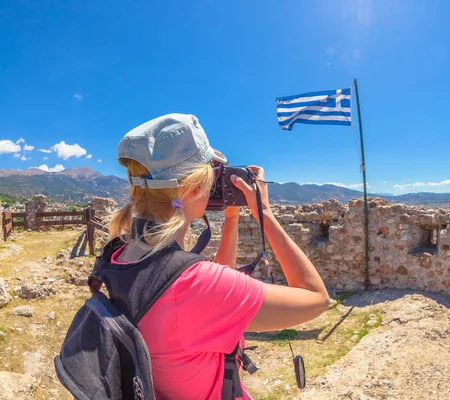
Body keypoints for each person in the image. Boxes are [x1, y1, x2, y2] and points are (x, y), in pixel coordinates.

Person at [107, 113, 330, 400]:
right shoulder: (193, 285)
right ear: (196, 186)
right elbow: (316, 298)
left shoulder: (124, 257)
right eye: (212, 173)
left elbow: (214, 302)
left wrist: (232, 221)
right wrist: (265, 214)